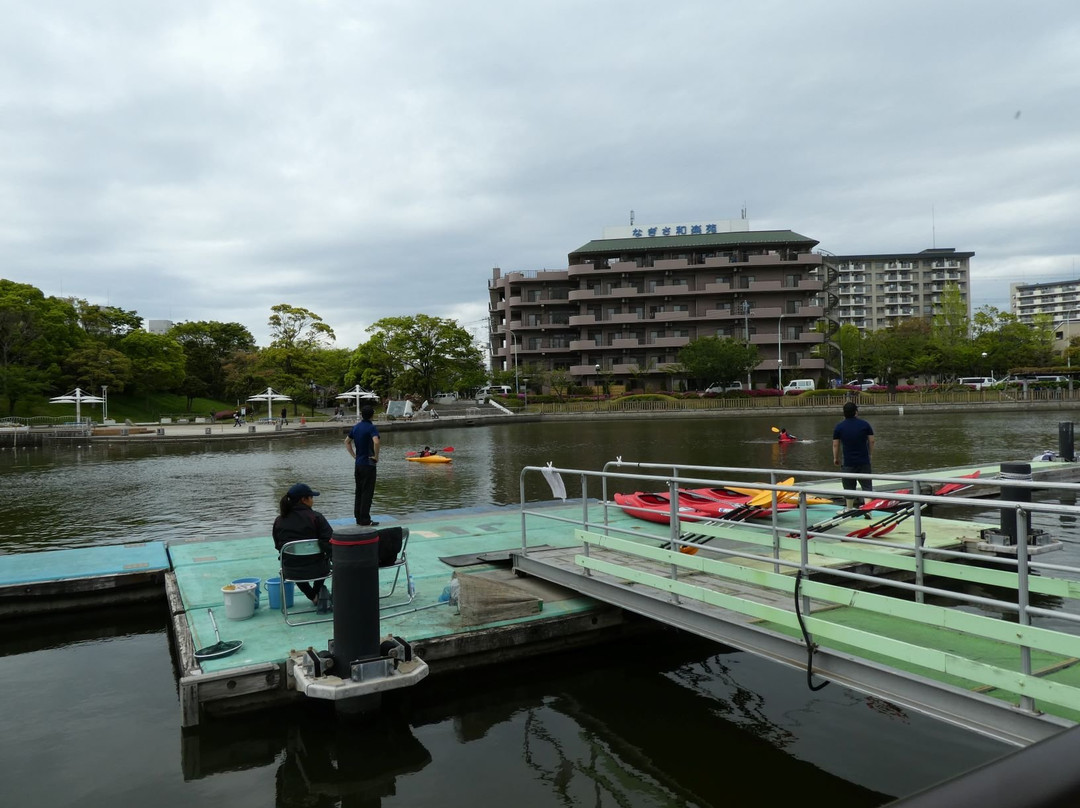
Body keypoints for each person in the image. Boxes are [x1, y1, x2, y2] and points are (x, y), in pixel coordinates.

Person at [272, 482, 334, 613]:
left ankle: (312, 596)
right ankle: (315, 595)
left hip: (290, 571)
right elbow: (329, 542)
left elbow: (278, 546)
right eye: (311, 497)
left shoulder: (279, 520)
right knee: (326, 557)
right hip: (319, 569)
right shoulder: (316, 517)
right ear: (303, 500)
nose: (313, 500)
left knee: (293, 560)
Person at [832, 401, 875, 509]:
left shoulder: (839, 427)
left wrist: (836, 458)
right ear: (856, 412)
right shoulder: (865, 424)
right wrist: (870, 454)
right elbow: (872, 441)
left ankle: (849, 509)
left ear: (844, 413)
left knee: (849, 487)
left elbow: (835, 445)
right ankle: (868, 510)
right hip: (864, 460)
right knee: (867, 486)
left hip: (848, 462)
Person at [345, 404, 380, 526]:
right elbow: (376, 441)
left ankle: (358, 517)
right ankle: (365, 519)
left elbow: (347, 441)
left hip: (358, 464)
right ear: (372, 415)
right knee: (367, 492)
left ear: (361, 415)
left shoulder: (356, 427)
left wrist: (354, 456)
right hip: (369, 464)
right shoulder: (371, 428)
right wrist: (376, 456)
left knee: (359, 491)